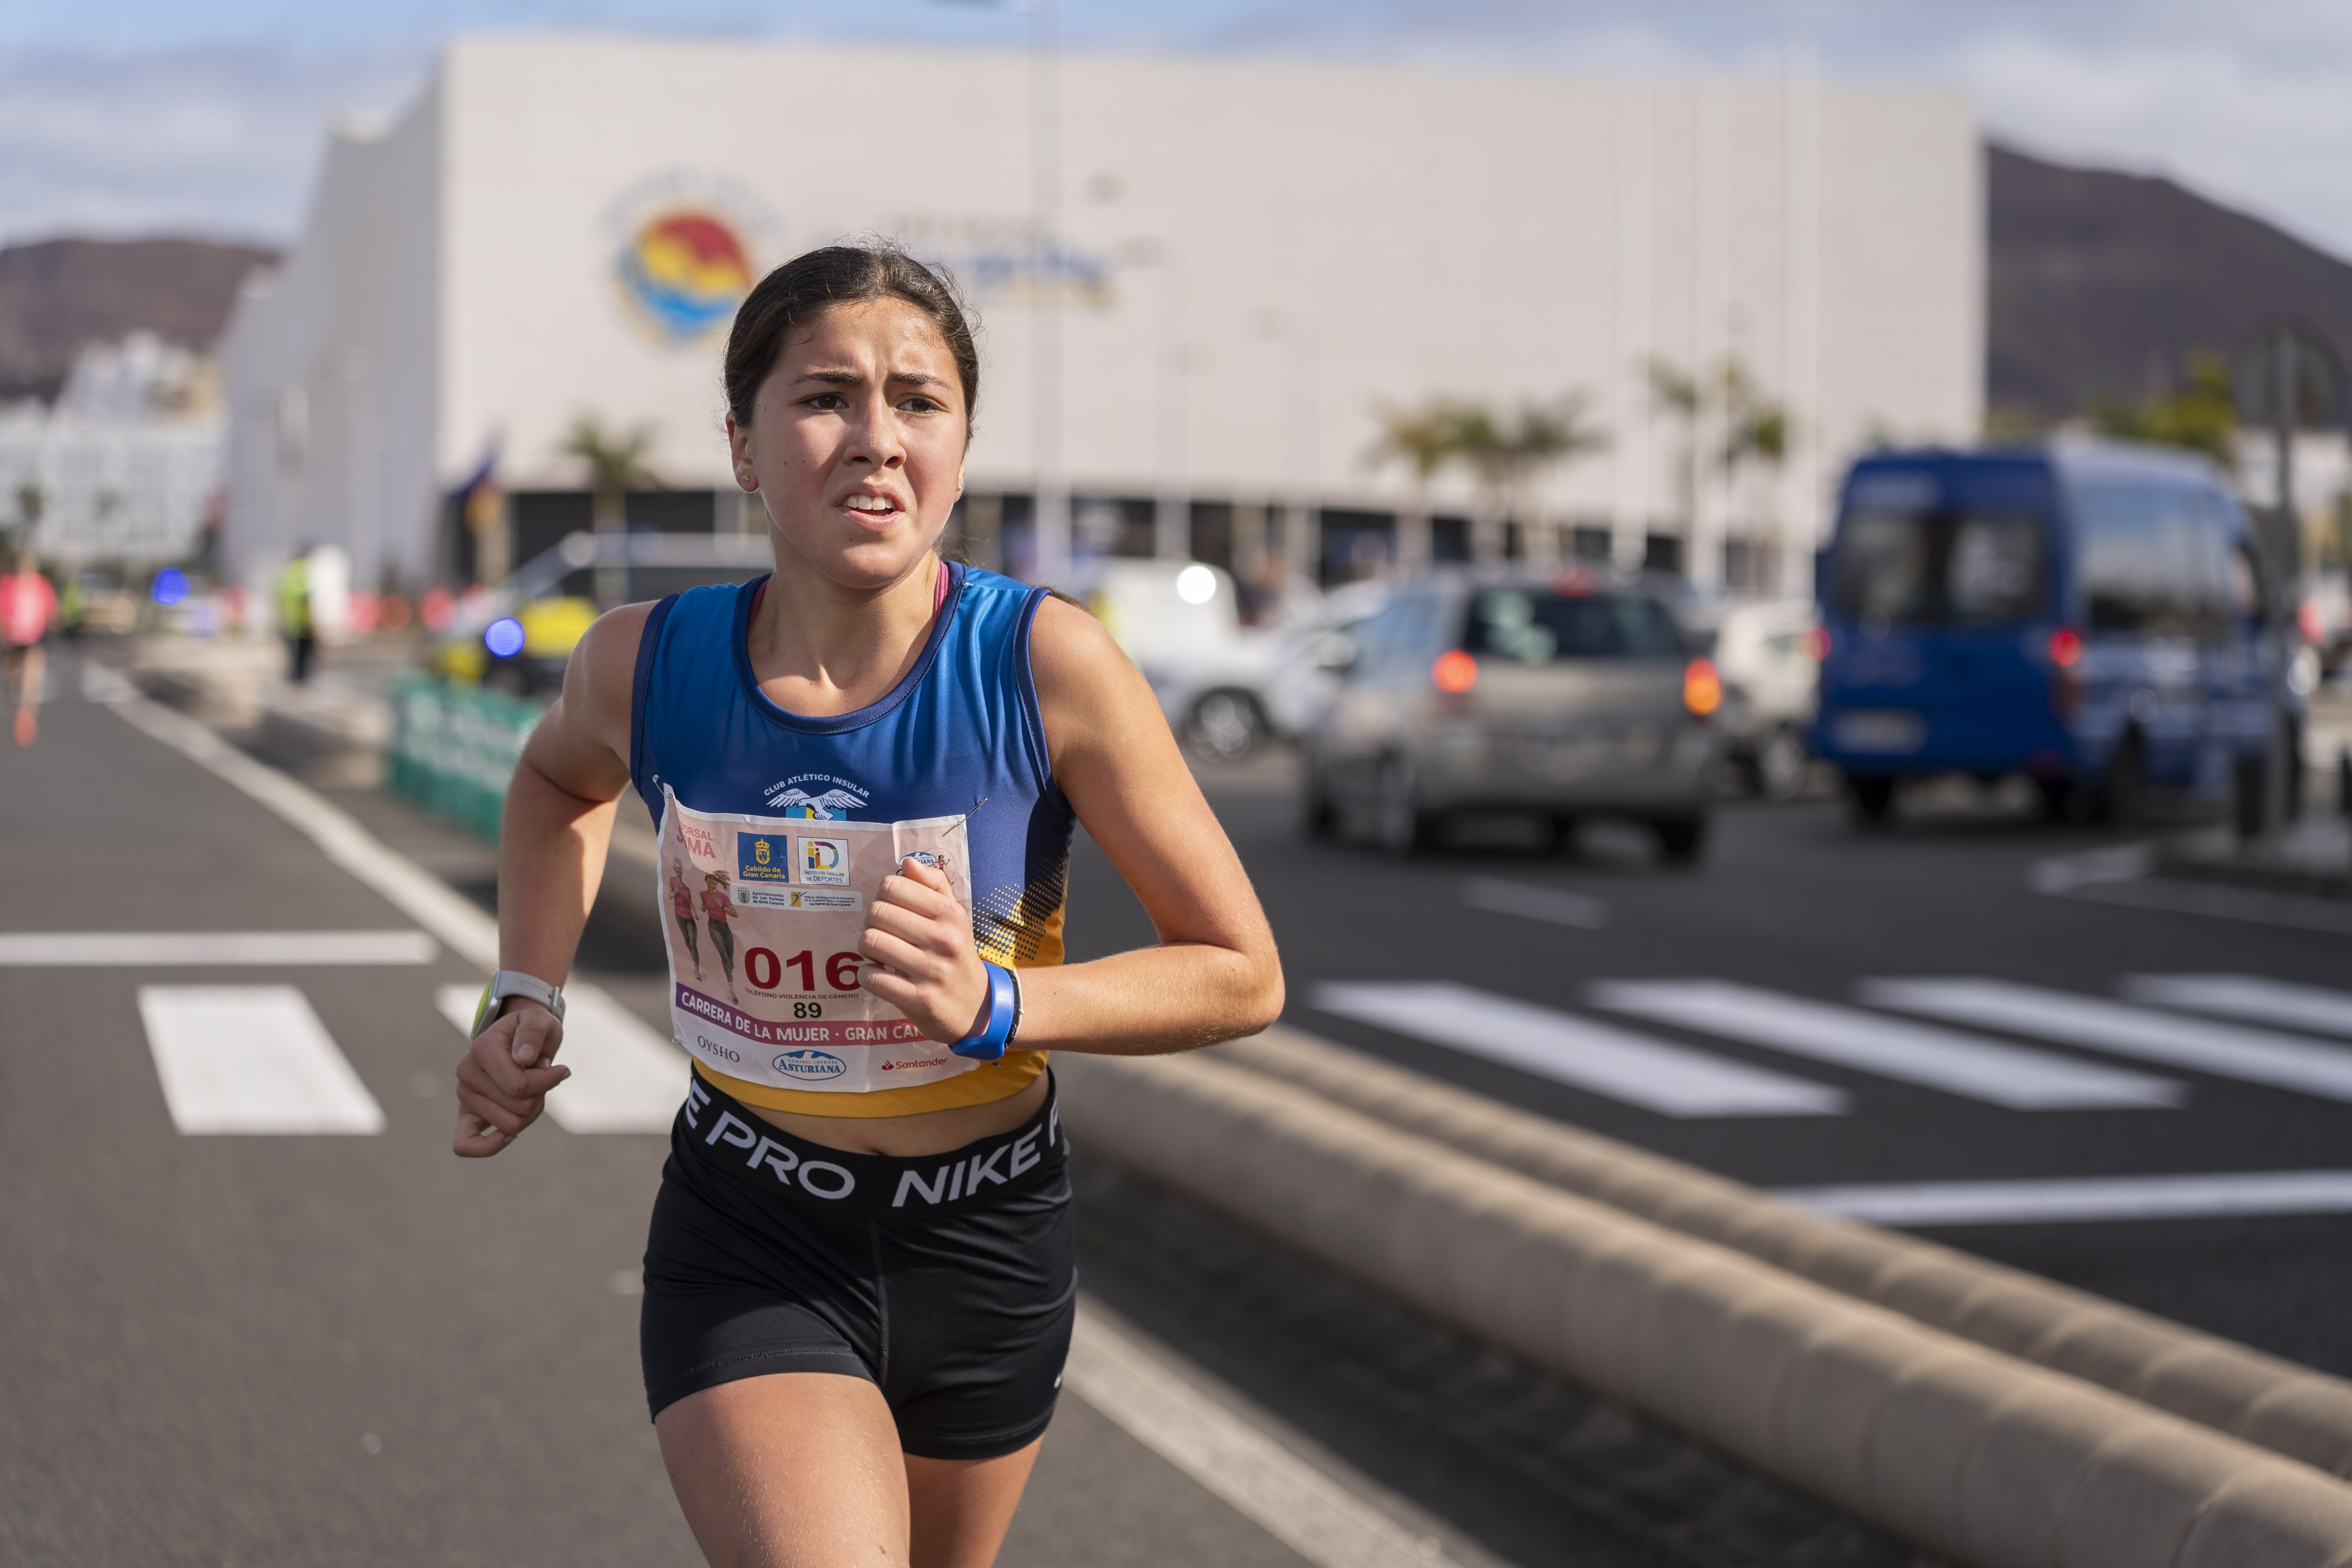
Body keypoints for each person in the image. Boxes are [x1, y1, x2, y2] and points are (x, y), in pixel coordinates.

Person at [450, 245, 1282, 1568]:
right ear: (740, 441)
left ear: (961, 443)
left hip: (990, 1235)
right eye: (825, 396)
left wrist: (1000, 1001)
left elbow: (1240, 970)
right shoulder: (644, 663)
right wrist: (525, 990)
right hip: (753, 1227)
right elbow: (556, 781)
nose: (876, 441)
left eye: (919, 400)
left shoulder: (1044, 661)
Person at [1, 551, 58, 747]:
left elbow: (51, 609)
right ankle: (17, 698)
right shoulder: (8, 584)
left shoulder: (43, 585)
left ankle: (26, 717)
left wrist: (53, 622)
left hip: (35, 639)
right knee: (13, 680)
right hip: (13, 641)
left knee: (32, 677)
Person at [278, 545, 315, 684]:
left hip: (289, 618)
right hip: (301, 618)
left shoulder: (288, 571)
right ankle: (300, 678)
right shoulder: (302, 569)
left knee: (293, 651)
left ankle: (295, 677)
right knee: (302, 652)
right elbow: (305, 593)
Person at [669, 858, 706, 981]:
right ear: (675, 870)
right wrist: (674, 893)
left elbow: (690, 902)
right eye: (677, 869)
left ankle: (696, 968)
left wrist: (695, 913)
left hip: (689, 917)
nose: (679, 871)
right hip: (679, 915)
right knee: (687, 940)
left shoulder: (686, 889)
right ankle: (691, 953)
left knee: (693, 942)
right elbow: (670, 895)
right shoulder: (672, 881)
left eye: (681, 869)